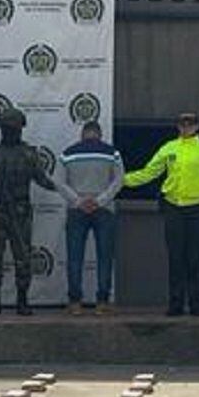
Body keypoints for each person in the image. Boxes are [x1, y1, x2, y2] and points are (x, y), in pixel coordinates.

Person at [122, 111, 199, 318]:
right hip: (173, 207)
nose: (186, 127)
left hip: (198, 208)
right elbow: (149, 172)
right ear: (178, 126)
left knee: (196, 258)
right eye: (183, 124)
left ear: (197, 127)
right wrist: (121, 180)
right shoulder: (169, 148)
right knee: (175, 257)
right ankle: (176, 304)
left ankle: (197, 305)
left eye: (191, 124)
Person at [0, 108, 58, 316]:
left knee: (23, 257)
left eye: (12, 128)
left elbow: (42, 179)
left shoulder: (29, 153)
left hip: (20, 212)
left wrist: (66, 188)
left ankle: (22, 301)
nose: (9, 131)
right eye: (6, 128)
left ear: (19, 129)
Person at [55, 119, 126, 314]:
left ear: (82, 134)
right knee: (105, 257)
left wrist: (78, 201)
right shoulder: (113, 153)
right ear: (100, 134)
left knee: (75, 257)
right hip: (104, 210)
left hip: (77, 210)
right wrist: (100, 200)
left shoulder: (67, 153)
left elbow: (59, 182)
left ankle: (75, 303)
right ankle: (102, 303)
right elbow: (119, 181)